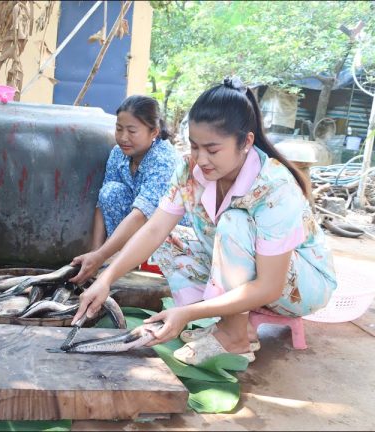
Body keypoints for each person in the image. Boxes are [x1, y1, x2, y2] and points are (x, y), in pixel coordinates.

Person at [72, 77, 337, 365]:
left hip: (301, 285)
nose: (200, 159)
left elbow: (271, 285)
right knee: (168, 241)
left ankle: (234, 336)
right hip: (254, 273)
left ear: (246, 142)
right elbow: (155, 228)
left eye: (212, 149)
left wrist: (189, 313)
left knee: (234, 222)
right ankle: (221, 324)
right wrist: (106, 278)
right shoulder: (189, 169)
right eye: (194, 146)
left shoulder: (275, 187)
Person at [69, 95, 182, 284]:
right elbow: (102, 203)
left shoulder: (163, 160)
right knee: (110, 192)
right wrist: (96, 253)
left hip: (166, 232)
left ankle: (125, 260)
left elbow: (142, 214)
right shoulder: (118, 153)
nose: (123, 137)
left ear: (153, 132)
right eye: (119, 129)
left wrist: (102, 256)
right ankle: (119, 257)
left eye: (132, 131)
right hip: (136, 225)